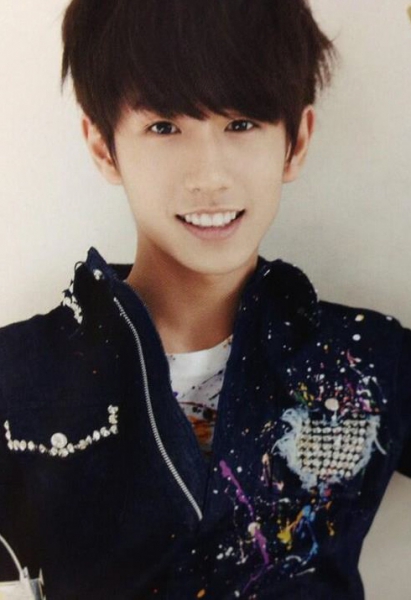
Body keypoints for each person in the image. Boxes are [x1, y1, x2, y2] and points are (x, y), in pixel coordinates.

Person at [0, 0, 410, 598]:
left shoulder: (369, 359)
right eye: (164, 126)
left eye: (241, 124)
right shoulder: (19, 373)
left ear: (296, 141)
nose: (209, 175)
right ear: (102, 145)